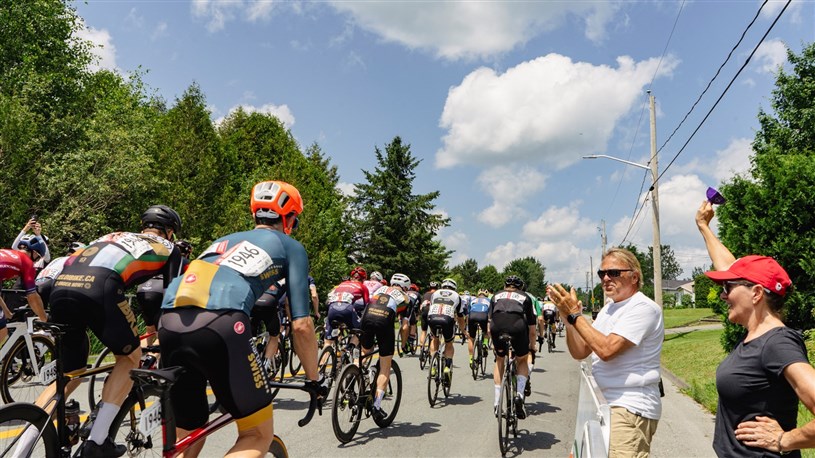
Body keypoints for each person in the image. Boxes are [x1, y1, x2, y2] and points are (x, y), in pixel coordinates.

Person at [159, 181, 321, 457]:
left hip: (170, 321)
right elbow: (302, 325)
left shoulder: (222, 240)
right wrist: (314, 381)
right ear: (289, 218)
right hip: (221, 324)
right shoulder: (291, 246)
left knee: (189, 433)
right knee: (256, 434)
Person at [29, 205, 184, 457]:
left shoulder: (113, 235)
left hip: (62, 287)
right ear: (169, 232)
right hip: (100, 287)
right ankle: (97, 441)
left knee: (71, 374)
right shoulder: (169, 247)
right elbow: (171, 297)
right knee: (130, 358)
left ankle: (28, 435)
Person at [696, 200, 815, 457]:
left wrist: (785, 440)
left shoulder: (777, 343)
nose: (723, 295)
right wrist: (703, 226)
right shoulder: (757, 335)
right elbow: (729, 268)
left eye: (728, 288)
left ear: (757, 293)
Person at [547, 247, 663, 457]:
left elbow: (607, 350)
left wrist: (575, 315)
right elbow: (580, 351)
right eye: (602, 273)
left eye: (614, 273)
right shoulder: (608, 308)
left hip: (628, 408)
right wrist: (569, 321)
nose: (606, 278)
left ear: (634, 277)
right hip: (601, 404)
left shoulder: (643, 308)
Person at [360, 273, 411, 421]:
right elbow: (405, 326)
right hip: (384, 320)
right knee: (385, 365)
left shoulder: (379, 288)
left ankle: (352, 376)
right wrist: (403, 344)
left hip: (367, 316)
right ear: (406, 287)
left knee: (366, 352)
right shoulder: (406, 297)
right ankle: (376, 406)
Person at [489, 275, 536, 419]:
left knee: (499, 360)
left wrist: (493, 343)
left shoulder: (496, 296)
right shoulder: (526, 297)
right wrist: (532, 346)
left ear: (505, 286)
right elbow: (532, 329)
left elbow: (489, 323)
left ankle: (497, 402)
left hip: (496, 326)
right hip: (517, 326)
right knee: (522, 360)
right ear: (520, 288)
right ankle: (519, 395)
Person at [0, 240, 48, 344]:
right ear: (35, 253)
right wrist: (44, 318)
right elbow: (32, 297)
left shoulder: (7, 253)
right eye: (38, 258)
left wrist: (8, 313)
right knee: (2, 332)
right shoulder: (27, 263)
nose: (36, 261)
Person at [323, 267, 369, 357]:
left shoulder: (342, 284)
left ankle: (322, 363)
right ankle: (348, 349)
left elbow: (329, 300)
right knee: (359, 330)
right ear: (363, 279)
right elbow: (367, 305)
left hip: (332, 308)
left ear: (351, 277)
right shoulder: (363, 286)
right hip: (347, 309)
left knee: (328, 342)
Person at [426, 278, 461, 387]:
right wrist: (463, 330)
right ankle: (447, 366)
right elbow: (460, 316)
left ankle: (433, 365)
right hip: (447, 319)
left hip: (432, 317)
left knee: (434, 339)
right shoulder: (456, 295)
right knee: (449, 343)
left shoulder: (435, 293)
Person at [35, 241, 86, 306]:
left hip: (37, 282)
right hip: (50, 283)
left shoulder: (58, 259)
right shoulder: (72, 259)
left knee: (41, 310)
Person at [467, 289, 491, 369]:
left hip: (472, 316)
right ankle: (485, 343)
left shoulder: (473, 300)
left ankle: (471, 359)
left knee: (471, 338)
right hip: (483, 316)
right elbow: (490, 314)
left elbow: (468, 312)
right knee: (486, 331)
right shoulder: (489, 300)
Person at [418, 281, 439, 358]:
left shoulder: (425, 294)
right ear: (437, 288)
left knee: (424, 331)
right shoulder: (437, 294)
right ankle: (432, 354)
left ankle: (422, 349)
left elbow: (421, 305)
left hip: (424, 312)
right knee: (434, 336)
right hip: (432, 314)